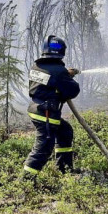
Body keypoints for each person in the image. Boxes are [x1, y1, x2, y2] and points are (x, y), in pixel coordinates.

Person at [23, 36, 80, 177]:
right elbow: (73, 91)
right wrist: (68, 77)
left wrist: (65, 76)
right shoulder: (59, 71)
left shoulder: (36, 66)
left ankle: (64, 169)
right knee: (43, 148)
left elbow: (48, 82)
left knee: (65, 131)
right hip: (46, 114)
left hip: (36, 108)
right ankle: (25, 181)